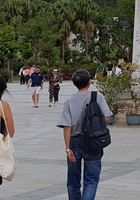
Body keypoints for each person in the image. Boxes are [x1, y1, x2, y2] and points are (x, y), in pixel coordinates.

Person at [58, 70, 111, 200]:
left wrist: (67, 148)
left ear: (74, 84)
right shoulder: (97, 96)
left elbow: (67, 126)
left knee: (73, 182)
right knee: (91, 180)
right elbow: (106, 117)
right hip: (93, 141)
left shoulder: (69, 101)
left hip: (75, 141)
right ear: (89, 82)